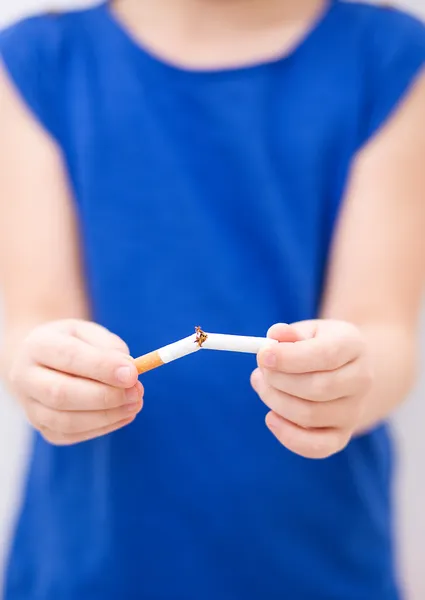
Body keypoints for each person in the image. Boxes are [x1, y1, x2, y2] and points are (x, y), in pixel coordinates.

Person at [0, 0, 424, 597]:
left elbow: (384, 330)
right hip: (93, 559)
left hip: (314, 562)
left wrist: (348, 382)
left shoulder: (391, 56)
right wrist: (43, 371)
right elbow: (34, 319)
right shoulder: (38, 61)